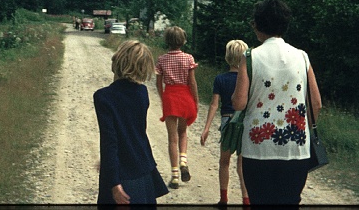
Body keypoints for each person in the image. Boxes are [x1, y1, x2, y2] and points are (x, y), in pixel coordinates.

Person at [232, 0, 323, 206]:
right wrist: (304, 130)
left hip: (258, 148)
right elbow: (316, 103)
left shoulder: (250, 57)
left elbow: (239, 103)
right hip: (296, 148)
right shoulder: (302, 57)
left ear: (258, 24)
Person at [94, 40, 170, 205]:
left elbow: (110, 141)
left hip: (122, 176)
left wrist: (113, 182)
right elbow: (133, 132)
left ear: (117, 61)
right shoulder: (142, 92)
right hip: (144, 168)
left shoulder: (104, 97)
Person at [200, 39, 251, 206]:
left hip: (227, 121)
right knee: (242, 164)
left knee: (224, 161)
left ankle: (224, 198)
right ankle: (246, 200)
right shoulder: (249, 78)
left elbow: (214, 104)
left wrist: (206, 127)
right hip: (244, 121)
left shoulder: (220, 79)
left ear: (227, 57)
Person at [155, 26, 199, 190]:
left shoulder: (161, 59)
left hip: (170, 96)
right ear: (183, 40)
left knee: (171, 138)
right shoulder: (188, 58)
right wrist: (195, 100)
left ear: (167, 41)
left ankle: (174, 176)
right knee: (183, 132)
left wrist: (163, 98)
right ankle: (183, 161)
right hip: (185, 95)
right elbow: (192, 82)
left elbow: (158, 83)